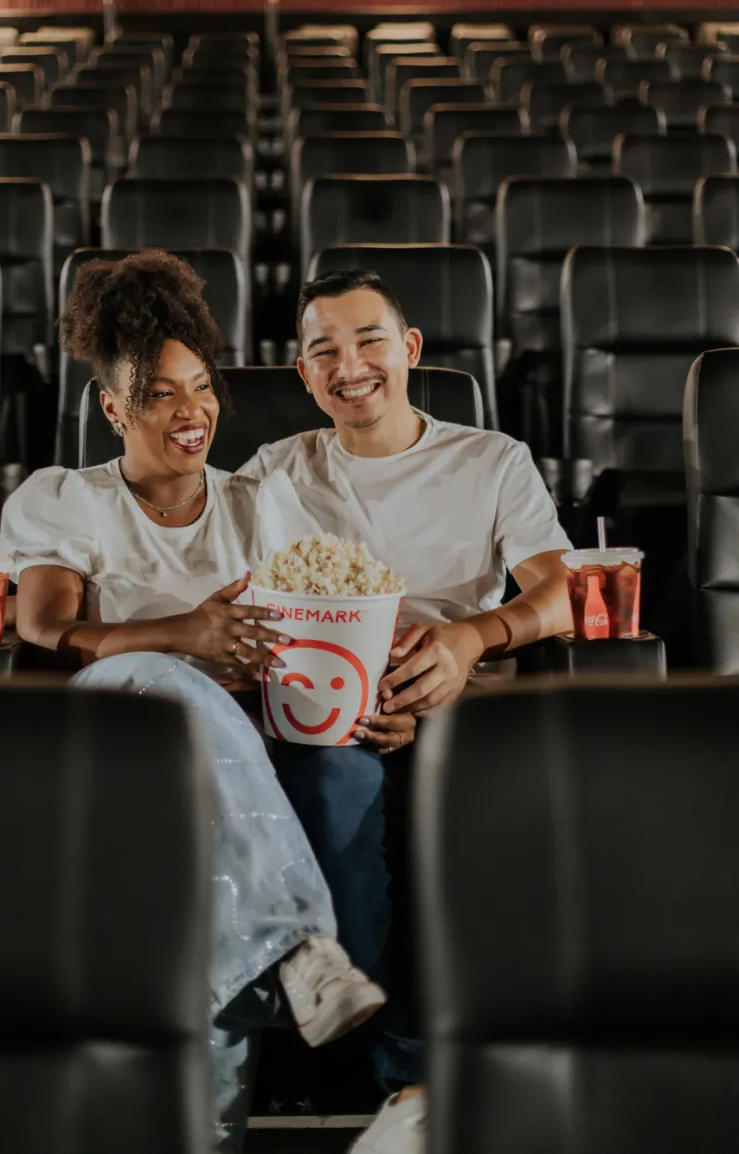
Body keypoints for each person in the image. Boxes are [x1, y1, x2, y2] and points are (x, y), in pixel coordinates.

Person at [0, 253, 410, 1150]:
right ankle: (300, 948)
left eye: (201, 388)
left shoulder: (261, 503)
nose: (192, 413)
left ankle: (217, 1122)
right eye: (159, 395)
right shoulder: (67, 498)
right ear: (113, 408)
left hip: (244, 736)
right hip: (119, 717)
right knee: (174, 686)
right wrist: (182, 636)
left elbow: (313, 626)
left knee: (213, 876)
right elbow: (47, 626)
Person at [238, 268, 574, 1152]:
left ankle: (418, 1081)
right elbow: (230, 590)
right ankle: (380, 1060)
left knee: (439, 786)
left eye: (369, 341)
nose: (350, 367)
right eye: (324, 353)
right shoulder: (275, 471)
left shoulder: (490, 458)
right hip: (325, 713)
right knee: (329, 779)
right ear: (304, 376)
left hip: (459, 700)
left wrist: (472, 639)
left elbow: (560, 594)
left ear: (410, 350)